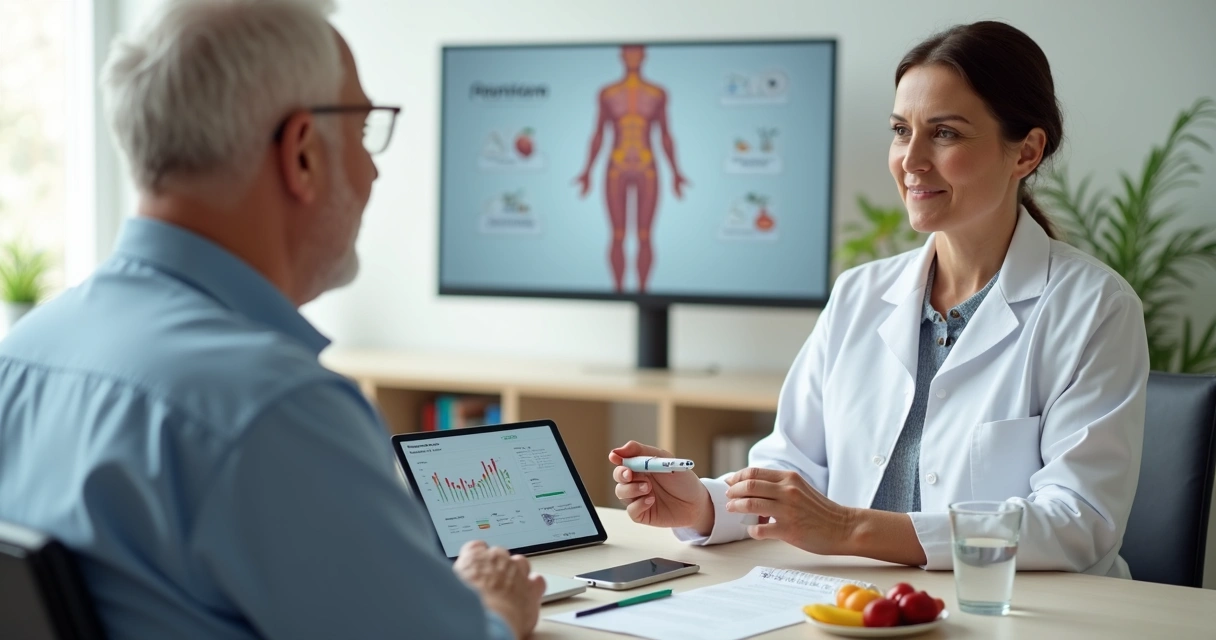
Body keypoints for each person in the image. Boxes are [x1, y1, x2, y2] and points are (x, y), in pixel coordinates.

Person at [0, 1, 543, 638]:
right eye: (364, 135)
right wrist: (497, 609)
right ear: (303, 154)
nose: (372, 170)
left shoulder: (22, 354)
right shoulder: (273, 410)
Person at [609, 20, 1149, 578]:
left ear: (1026, 152)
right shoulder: (860, 294)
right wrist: (701, 505)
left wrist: (849, 529)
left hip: (1019, 614)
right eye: (900, 130)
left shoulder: (1094, 308)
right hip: (855, 606)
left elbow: (1077, 520)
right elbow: (792, 468)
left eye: (945, 134)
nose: (910, 160)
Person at [574, 45, 690, 293]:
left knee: (645, 235)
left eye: (637, 52)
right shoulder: (607, 93)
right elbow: (598, 134)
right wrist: (587, 171)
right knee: (617, 235)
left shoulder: (658, 93)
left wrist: (676, 172)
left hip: (648, 167)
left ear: (644, 56)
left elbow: (666, 135)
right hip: (616, 166)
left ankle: (643, 293)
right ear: (622, 56)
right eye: (629, 52)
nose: (633, 56)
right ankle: (618, 293)